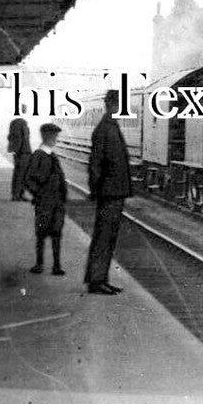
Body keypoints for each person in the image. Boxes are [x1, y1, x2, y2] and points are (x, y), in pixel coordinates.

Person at [85, 91, 131, 296]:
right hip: (108, 193)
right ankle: (96, 281)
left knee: (108, 238)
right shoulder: (104, 130)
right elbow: (95, 164)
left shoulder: (111, 127)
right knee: (104, 237)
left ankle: (101, 279)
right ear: (111, 104)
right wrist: (96, 190)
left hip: (114, 192)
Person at [24, 124, 67, 276]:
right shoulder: (38, 155)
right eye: (53, 137)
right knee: (41, 233)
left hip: (57, 203)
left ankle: (56, 265)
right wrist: (39, 194)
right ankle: (39, 264)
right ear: (45, 137)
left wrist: (63, 196)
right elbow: (28, 179)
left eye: (55, 137)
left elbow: (60, 178)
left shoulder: (52, 155)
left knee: (57, 233)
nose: (55, 139)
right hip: (44, 202)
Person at [7, 107, 32, 201]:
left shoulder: (13, 122)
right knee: (21, 174)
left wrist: (14, 149)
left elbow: (10, 137)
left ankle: (18, 194)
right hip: (23, 152)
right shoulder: (22, 122)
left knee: (18, 173)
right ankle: (17, 195)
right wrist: (20, 150)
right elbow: (23, 137)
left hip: (19, 152)